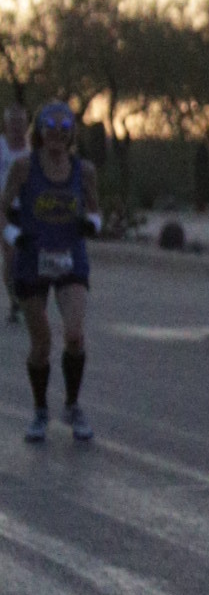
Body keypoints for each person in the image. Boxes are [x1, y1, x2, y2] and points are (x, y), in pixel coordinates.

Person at [7, 103, 102, 445]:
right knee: (42, 343)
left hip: (70, 260)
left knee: (74, 335)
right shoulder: (23, 168)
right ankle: (40, 411)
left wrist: (91, 225)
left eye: (63, 131)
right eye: (50, 130)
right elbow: (2, 209)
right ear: (40, 133)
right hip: (32, 261)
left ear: (71, 134)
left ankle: (72, 406)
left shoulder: (84, 171)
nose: (56, 137)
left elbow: (95, 210)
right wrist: (14, 235)